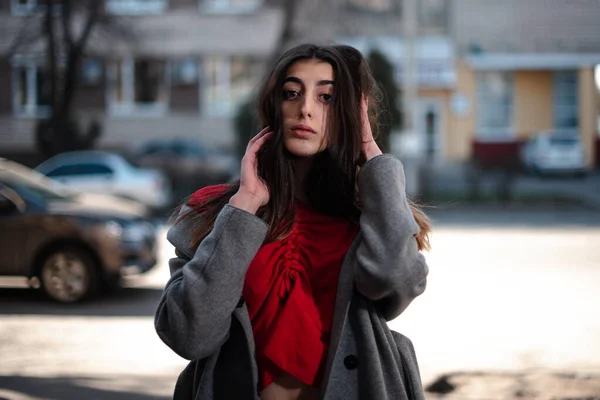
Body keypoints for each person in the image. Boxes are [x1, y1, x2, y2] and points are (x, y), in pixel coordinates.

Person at [155, 43, 431, 400]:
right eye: (292, 93)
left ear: (351, 112)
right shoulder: (216, 212)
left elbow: (395, 284)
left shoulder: (371, 216)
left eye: (327, 98)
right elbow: (188, 333)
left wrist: (374, 160)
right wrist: (244, 208)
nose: (305, 109)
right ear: (274, 105)